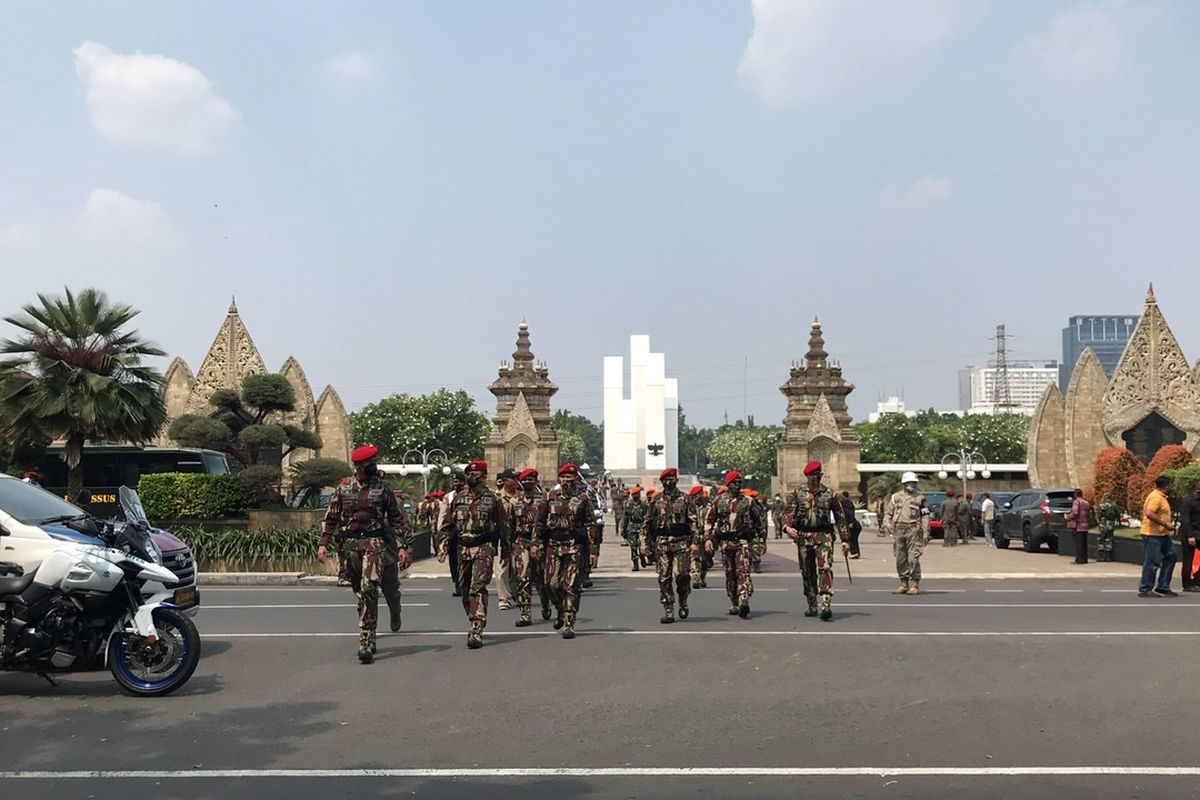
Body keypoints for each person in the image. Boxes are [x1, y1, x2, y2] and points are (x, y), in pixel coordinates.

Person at [317, 445, 412, 664]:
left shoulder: (383, 488)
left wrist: (402, 546)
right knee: (359, 592)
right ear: (358, 465)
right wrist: (324, 543)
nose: (373, 465)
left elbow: (397, 519)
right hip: (350, 546)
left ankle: (366, 640)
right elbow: (331, 518)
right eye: (369, 462)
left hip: (374, 543)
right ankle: (371, 631)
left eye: (374, 461)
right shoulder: (343, 489)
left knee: (370, 589)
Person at [439, 459, 508, 649]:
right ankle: (473, 615)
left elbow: (503, 526)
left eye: (475, 474)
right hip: (463, 548)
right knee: (464, 589)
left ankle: (476, 627)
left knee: (477, 587)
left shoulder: (492, 499)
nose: (471, 477)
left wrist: (506, 551)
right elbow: (448, 525)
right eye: (469, 474)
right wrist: (443, 544)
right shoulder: (458, 498)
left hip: (484, 546)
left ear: (484, 477)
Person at [782, 461, 850, 620]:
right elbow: (788, 513)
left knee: (825, 568)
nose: (815, 478)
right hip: (804, 537)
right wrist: (787, 528)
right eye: (812, 475)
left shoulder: (829, 494)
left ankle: (825, 603)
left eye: (817, 475)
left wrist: (845, 540)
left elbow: (840, 517)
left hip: (823, 536)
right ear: (806, 476)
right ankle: (811, 602)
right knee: (807, 571)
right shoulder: (797, 493)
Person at [540, 463, 598, 639]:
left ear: (575, 480)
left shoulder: (583, 499)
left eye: (570, 478)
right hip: (554, 545)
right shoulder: (550, 497)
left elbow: (591, 524)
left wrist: (593, 550)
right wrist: (537, 543)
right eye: (564, 477)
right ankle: (559, 609)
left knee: (571, 585)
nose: (567, 481)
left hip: (574, 546)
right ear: (560, 479)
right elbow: (539, 522)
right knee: (551, 584)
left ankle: (569, 622)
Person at [639, 467, 697, 624]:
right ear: (662, 482)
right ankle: (669, 609)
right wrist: (643, 543)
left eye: (672, 479)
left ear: (677, 481)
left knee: (682, 575)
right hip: (663, 543)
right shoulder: (656, 500)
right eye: (666, 480)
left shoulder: (686, 499)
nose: (669, 482)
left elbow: (694, 522)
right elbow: (647, 523)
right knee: (664, 577)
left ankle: (683, 599)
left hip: (681, 542)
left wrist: (695, 543)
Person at [704, 470, 764, 618]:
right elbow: (709, 520)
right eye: (734, 483)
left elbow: (759, 521)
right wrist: (708, 538)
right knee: (730, 574)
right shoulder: (719, 501)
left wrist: (761, 540)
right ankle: (734, 602)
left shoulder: (748, 501)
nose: (737, 485)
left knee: (743, 571)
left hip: (742, 542)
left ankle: (744, 600)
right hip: (725, 543)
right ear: (728, 484)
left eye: (739, 483)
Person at [508, 468, 550, 625]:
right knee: (523, 577)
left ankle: (546, 604)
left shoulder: (543, 501)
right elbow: (511, 524)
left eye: (530, 480)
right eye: (525, 480)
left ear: (535, 482)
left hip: (539, 543)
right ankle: (525, 613)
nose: (527, 482)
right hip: (521, 541)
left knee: (542, 579)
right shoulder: (515, 502)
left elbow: (547, 524)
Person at [883, 472, 930, 595]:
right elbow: (888, 514)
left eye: (914, 483)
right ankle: (904, 583)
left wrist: (926, 533)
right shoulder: (895, 497)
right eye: (910, 483)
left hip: (913, 530)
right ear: (904, 483)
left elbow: (925, 516)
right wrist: (888, 525)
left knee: (913, 558)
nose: (913, 485)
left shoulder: (921, 498)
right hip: (898, 530)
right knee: (900, 558)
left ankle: (915, 583)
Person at [1137, 475, 1178, 598]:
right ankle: (1145, 588)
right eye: (1171, 484)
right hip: (1152, 534)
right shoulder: (1155, 497)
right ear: (1167, 486)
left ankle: (1163, 586)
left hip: (1162, 534)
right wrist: (1165, 524)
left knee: (1171, 556)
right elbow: (1149, 513)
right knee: (1152, 561)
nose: (1172, 487)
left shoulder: (1162, 497)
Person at [436, 471, 467, 597]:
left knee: (466, 559)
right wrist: (441, 535)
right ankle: (458, 583)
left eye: (459, 482)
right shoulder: (449, 497)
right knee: (454, 560)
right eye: (455, 482)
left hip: (467, 532)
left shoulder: (469, 495)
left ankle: (466, 583)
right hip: (454, 533)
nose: (457, 484)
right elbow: (442, 516)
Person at [494, 469, 521, 611]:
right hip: (502, 536)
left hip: (519, 536)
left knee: (518, 567)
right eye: (514, 478)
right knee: (501, 568)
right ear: (505, 481)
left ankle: (516, 594)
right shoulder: (496, 498)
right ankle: (503, 598)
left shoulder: (521, 497)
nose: (517, 481)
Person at [688, 486, 713, 588]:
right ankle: (696, 578)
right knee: (694, 558)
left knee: (705, 561)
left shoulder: (708, 508)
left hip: (705, 537)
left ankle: (702, 577)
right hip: (693, 537)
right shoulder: (689, 508)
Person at [1179, 482, 1200, 593]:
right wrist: (1190, 535)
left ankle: (1197, 580)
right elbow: (1186, 520)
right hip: (1189, 533)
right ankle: (1187, 584)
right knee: (1188, 559)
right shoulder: (1188, 501)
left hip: (1198, 532)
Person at [621, 486, 648, 571]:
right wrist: (623, 530)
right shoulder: (628, 505)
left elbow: (647, 517)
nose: (636, 497)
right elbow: (625, 518)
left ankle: (642, 557)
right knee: (633, 547)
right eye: (634, 495)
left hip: (641, 527)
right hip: (632, 527)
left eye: (637, 495)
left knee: (641, 546)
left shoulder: (644, 505)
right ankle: (635, 564)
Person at [1066, 488, 1092, 564]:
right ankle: (1085, 559)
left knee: (1078, 543)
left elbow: (1075, 513)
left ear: (1075, 495)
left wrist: (1068, 517)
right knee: (1084, 543)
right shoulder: (1086, 502)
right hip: (1085, 525)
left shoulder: (1076, 502)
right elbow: (1088, 514)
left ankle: (1079, 559)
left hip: (1078, 526)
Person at [1096, 495, 1120, 562]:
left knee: (1101, 540)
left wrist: (1099, 521)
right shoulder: (1114, 506)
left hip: (1103, 524)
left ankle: (1101, 557)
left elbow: (1099, 515)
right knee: (1109, 539)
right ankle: (1109, 557)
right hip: (1111, 524)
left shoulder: (1102, 506)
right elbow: (1117, 515)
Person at [840, 491, 862, 559]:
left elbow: (850, 513)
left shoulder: (846, 502)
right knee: (853, 539)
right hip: (854, 524)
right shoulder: (848, 502)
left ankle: (854, 553)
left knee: (851, 538)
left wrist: (851, 522)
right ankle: (856, 552)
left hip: (853, 524)